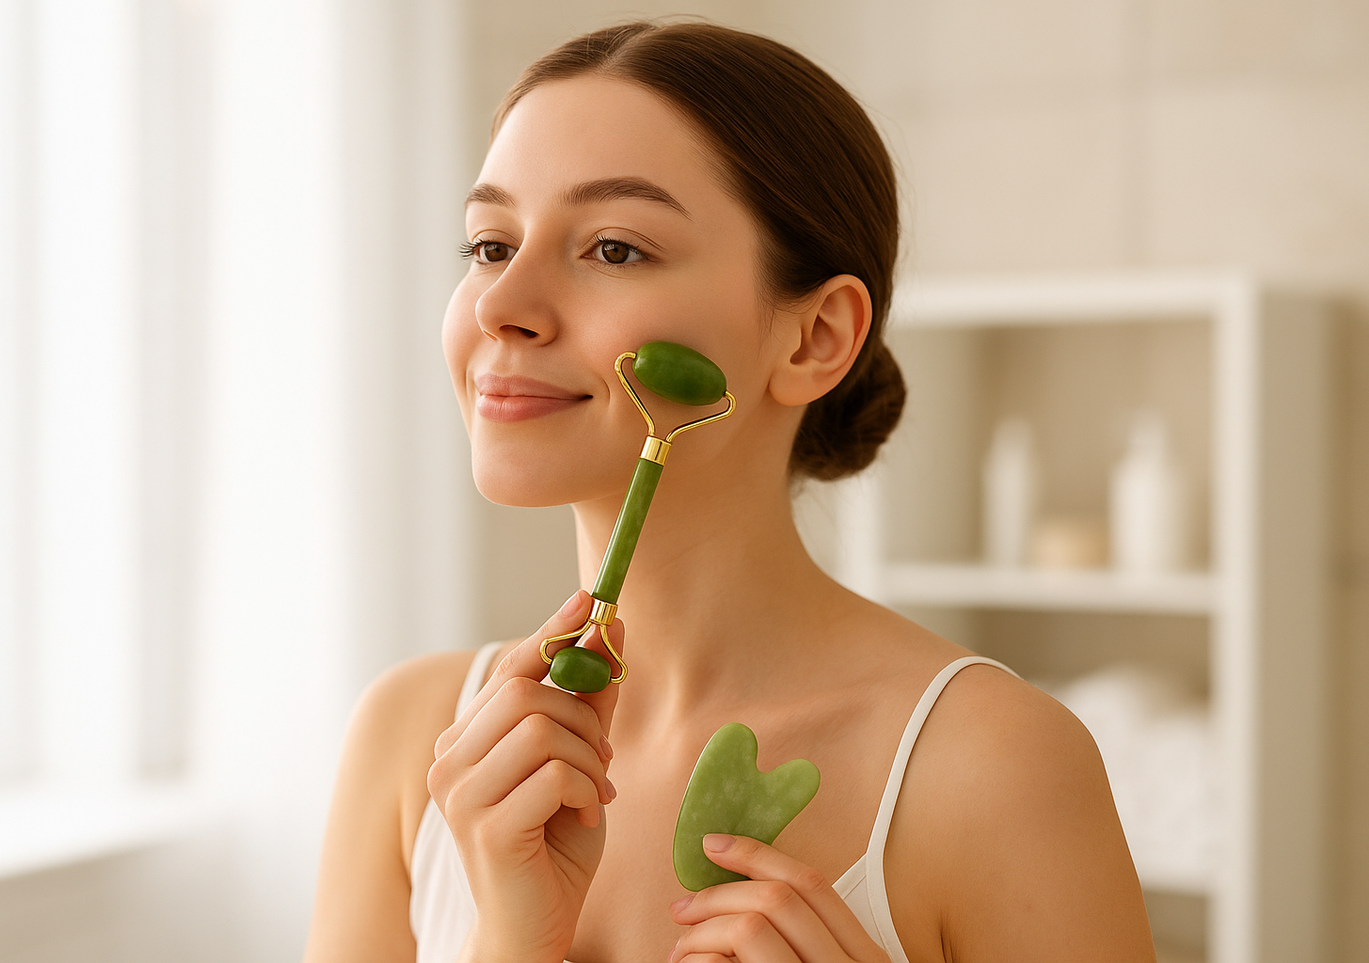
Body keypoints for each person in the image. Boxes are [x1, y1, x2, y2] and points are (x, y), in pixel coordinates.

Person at [305, 19, 1156, 963]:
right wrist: (507, 942)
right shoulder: (413, 737)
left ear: (813, 337)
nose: (501, 306)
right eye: (490, 245)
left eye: (614, 248)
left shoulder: (990, 767)